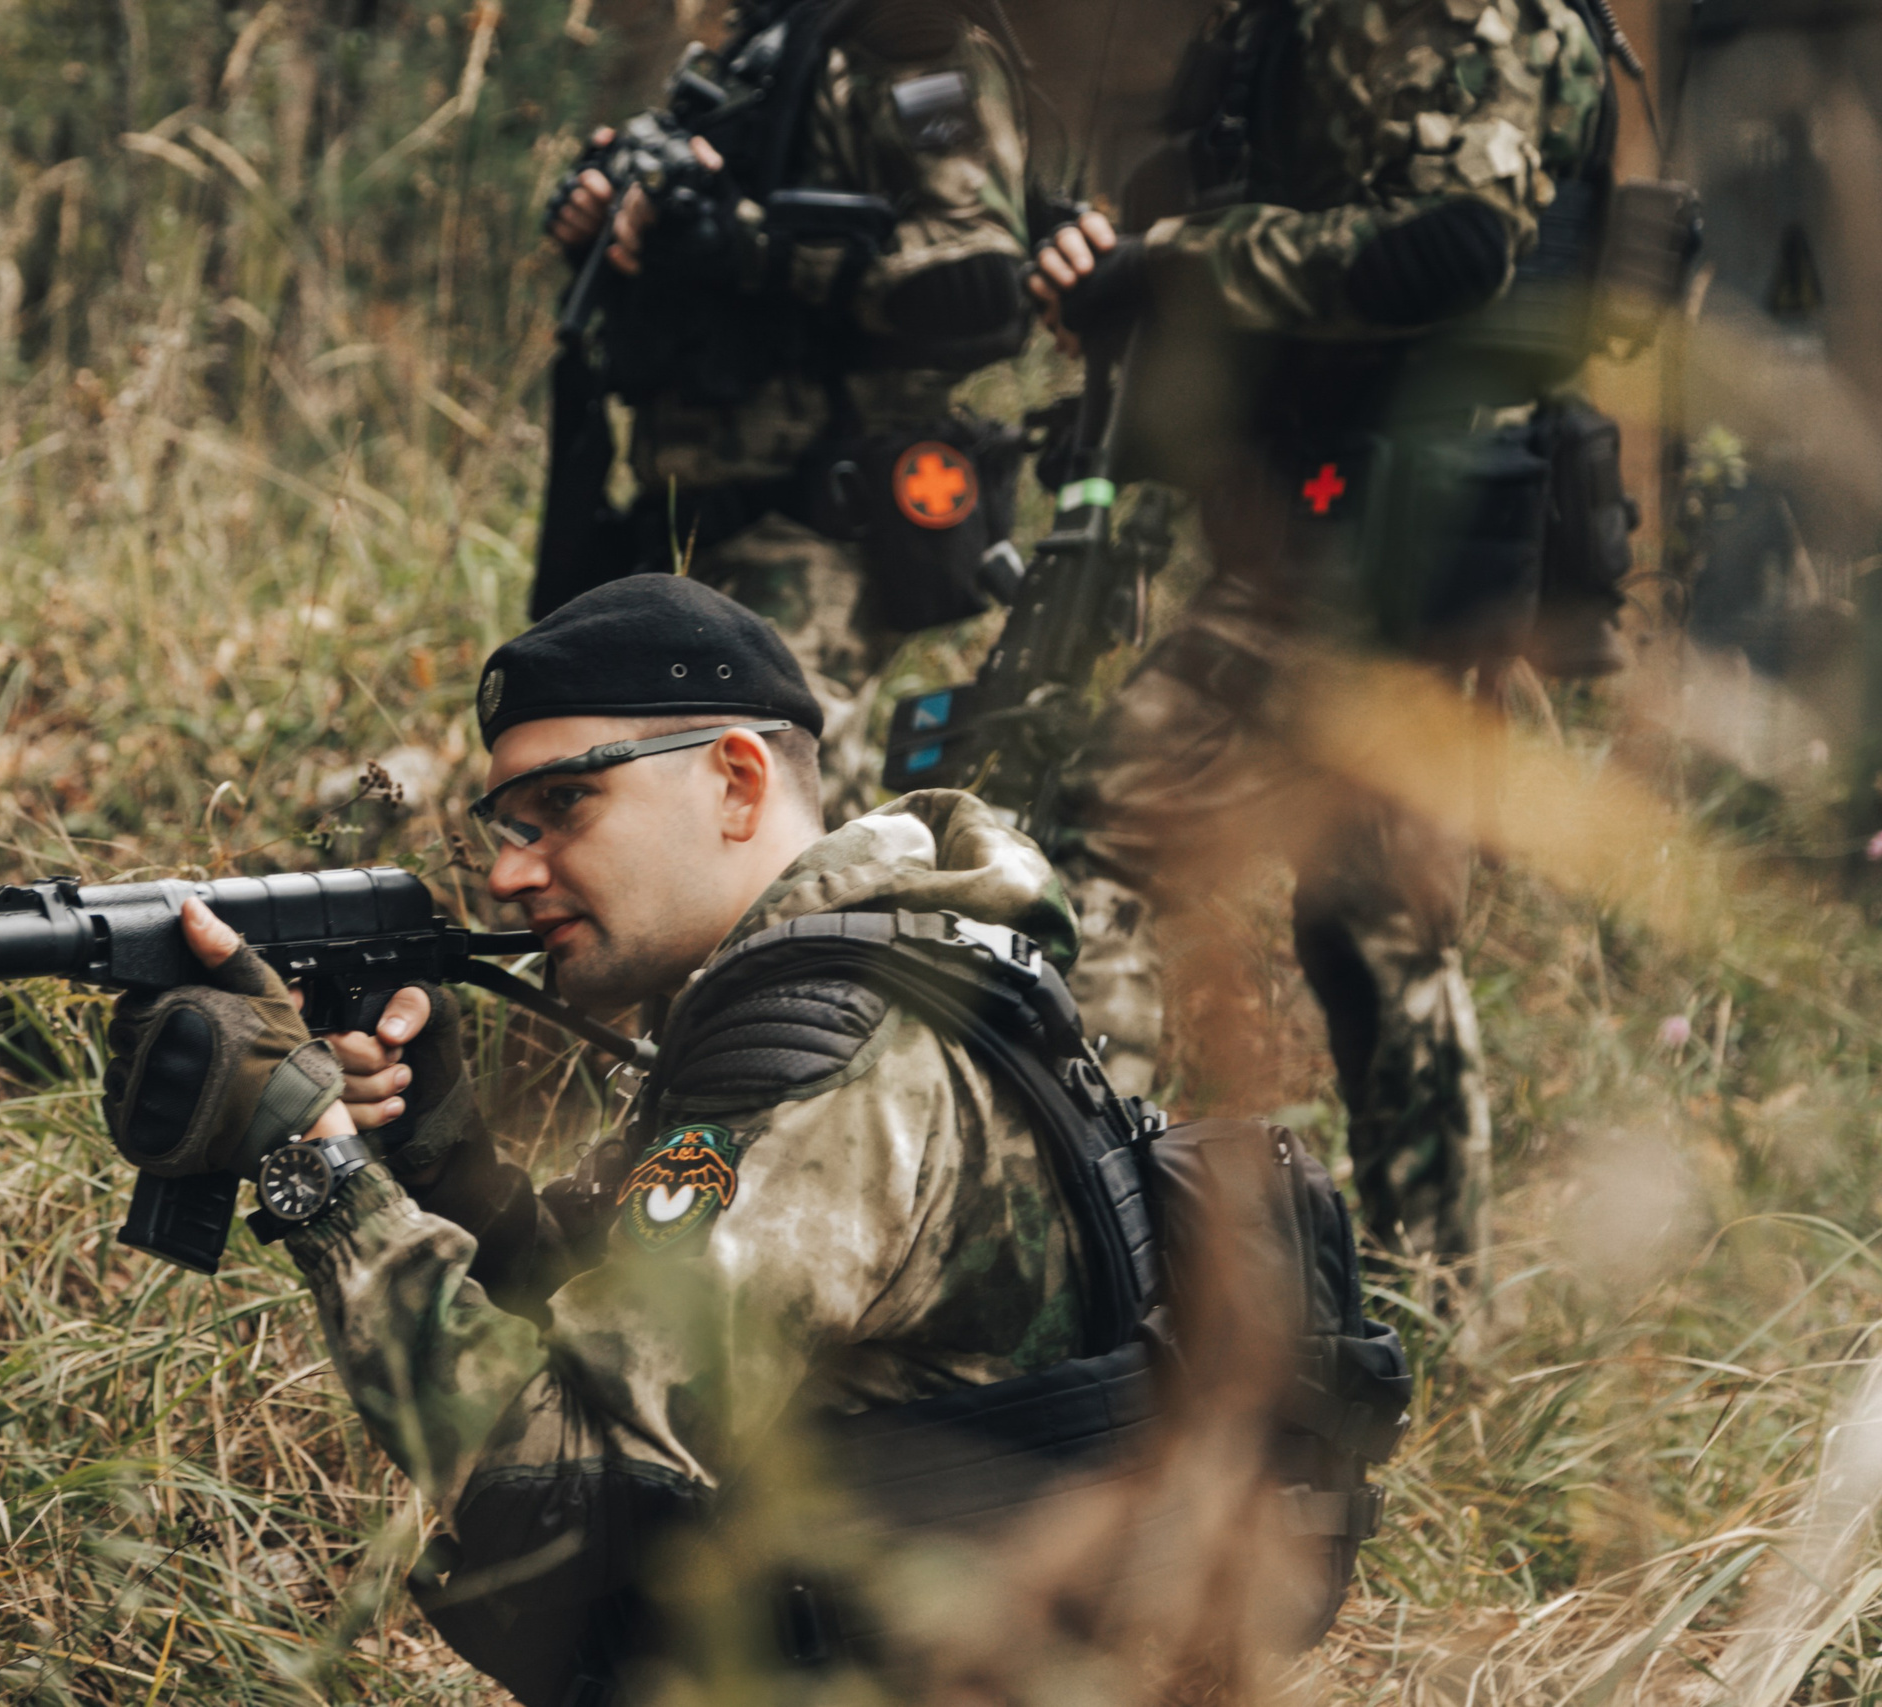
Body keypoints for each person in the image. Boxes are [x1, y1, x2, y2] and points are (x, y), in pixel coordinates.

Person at [100, 577, 1405, 1704]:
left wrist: (316, 1162)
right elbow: (621, 1325)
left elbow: (562, 1480)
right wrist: (439, 1154)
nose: (508, 872)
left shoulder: (832, 1058)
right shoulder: (867, 983)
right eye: (507, 825)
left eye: (564, 806)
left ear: (734, 780)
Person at [1020, 0, 1625, 1271]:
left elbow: (1449, 247)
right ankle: (1434, 1302)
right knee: (1378, 921)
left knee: (1104, 845)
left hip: (1383, 534)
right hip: (1357, 515)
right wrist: (1119, 267)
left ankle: (1098, 1272)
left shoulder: (1455, 14)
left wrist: (1167, 264)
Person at [535, 0, 1044, 819]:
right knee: (645, 811)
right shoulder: (757, 54)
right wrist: (617, 221)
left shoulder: (900, 46)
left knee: (762, 812)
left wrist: (752, 244)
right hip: (690, 524)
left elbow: (979, 285)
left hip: (818, 518)